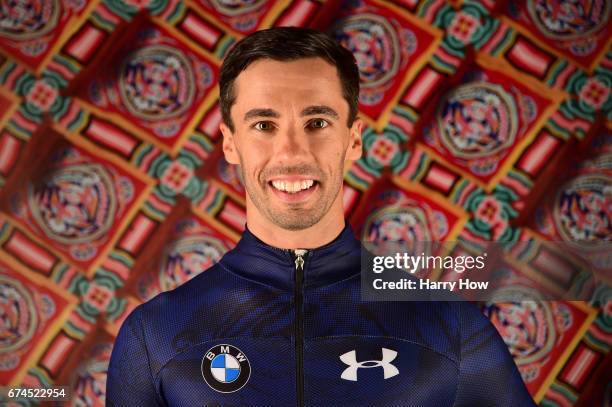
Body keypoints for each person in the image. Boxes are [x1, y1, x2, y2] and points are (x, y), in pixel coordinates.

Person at [106, 27, 536, 406]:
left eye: (316, 123)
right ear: (229, 143)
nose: (292, 153)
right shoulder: (154, 336)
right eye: (263, 125)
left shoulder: (451, 327)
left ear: (353, 140)